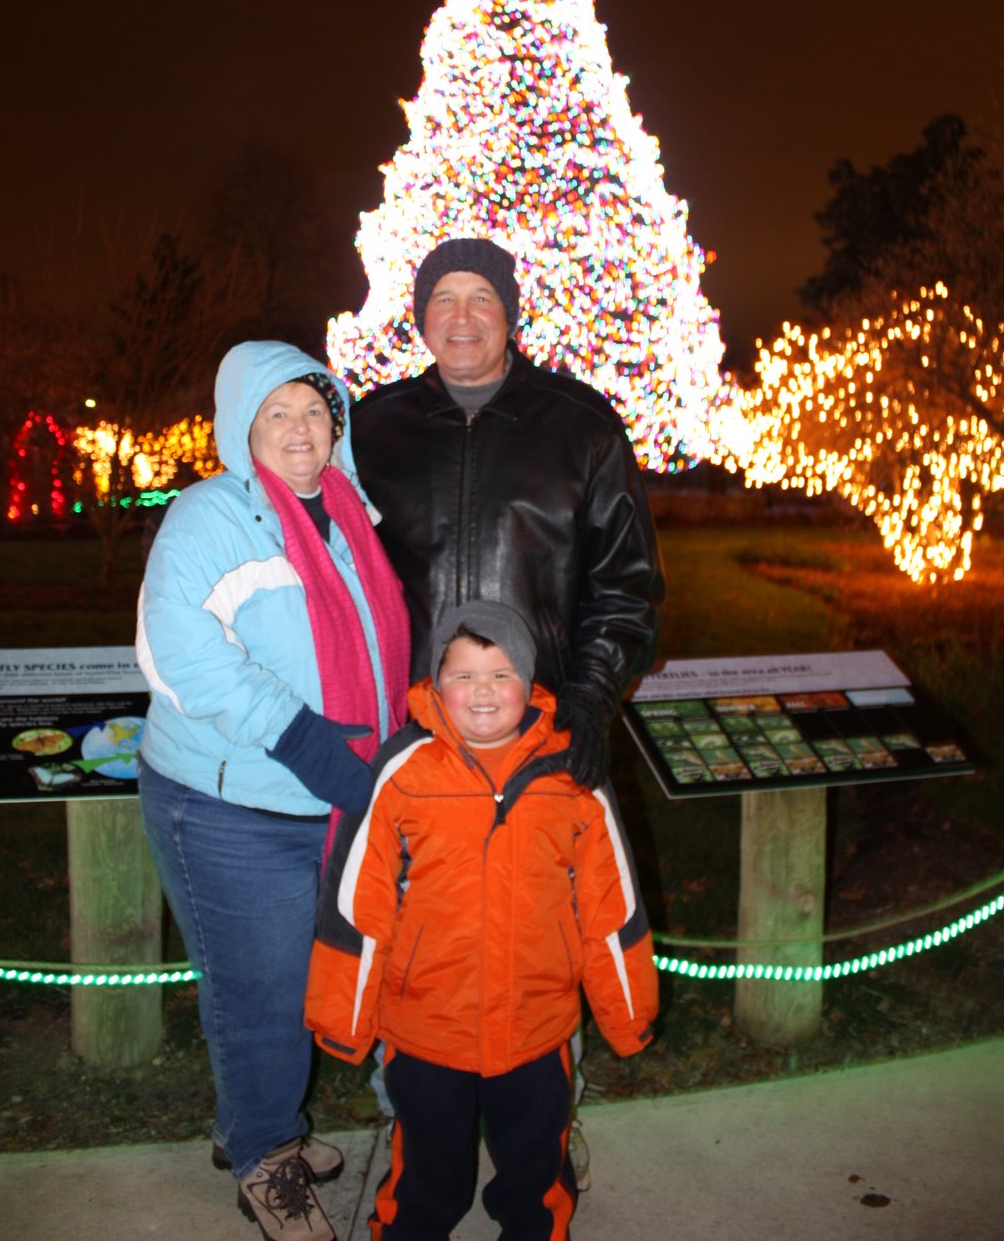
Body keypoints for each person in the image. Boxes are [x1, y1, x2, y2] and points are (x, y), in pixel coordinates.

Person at [137, 340, 410, 1241]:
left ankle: (252, 1127)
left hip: (325, 796)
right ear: (240, 428)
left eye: (315, 410)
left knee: (293, 979)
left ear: (337, 423)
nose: (300, 429)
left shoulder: (350, 512)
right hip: (229, 804)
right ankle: (264, 1155)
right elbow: (183, 655)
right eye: (276, 413)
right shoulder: (208, 518)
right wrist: (309, 744)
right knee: (260, 992)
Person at [306, 600, 658, 1241]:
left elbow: (612, 904)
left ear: (531, 682)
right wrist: (342, 1016)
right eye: (464, 675)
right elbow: (357, 899)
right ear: (436, 684)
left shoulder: (572, 772)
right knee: (426, 1173)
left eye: (502, 674)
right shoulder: (402, 771)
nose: (484, 692)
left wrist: (627, 1011)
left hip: (535, 1024)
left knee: (536, 1169)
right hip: (426, 1026)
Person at [350, 236, 665, 794]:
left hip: (542, 725)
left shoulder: (582, 426)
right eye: (444, 299)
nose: (462, 317)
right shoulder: (372, 430)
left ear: (510, 315)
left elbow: (627, 586)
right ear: (423, 318)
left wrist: (589, 695)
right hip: (412, 728)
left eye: (481, 297)